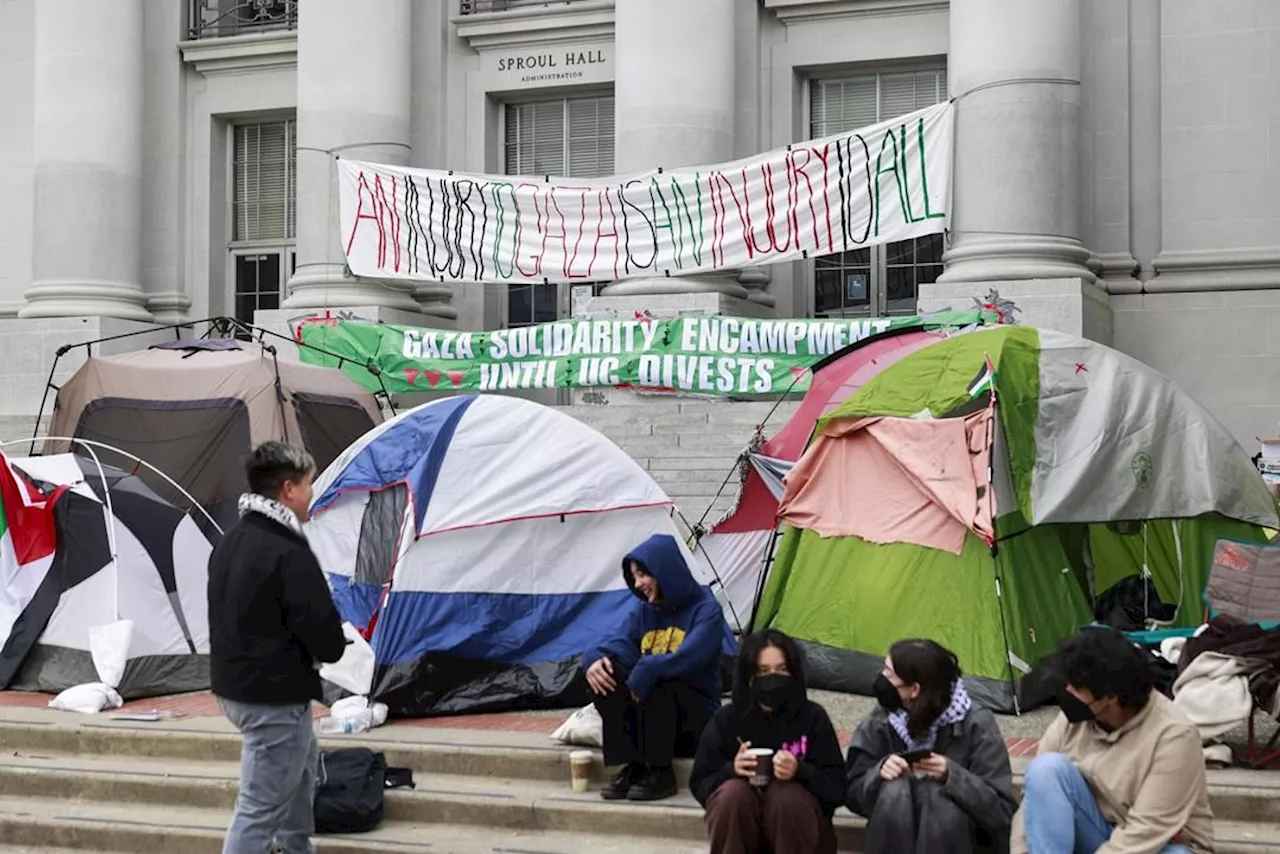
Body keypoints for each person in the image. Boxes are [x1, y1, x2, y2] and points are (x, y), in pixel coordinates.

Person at [208, 442, 347, 854]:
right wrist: (339, 640)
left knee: (301, 769)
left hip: (236, 686)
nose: (312, 493)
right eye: (308, 484)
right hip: (272, 696)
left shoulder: (232, 540)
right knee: (257, 808)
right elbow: (323, 633)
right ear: (288, 489)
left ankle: (296, 847)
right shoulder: (288, 549)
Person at [1012, 629, 1213, 854]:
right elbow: (1034, 800)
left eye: (1077, 689)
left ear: (1111, 698)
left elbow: (1147, 831)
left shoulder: (1174, 736)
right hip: (1097, 833)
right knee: (1045, 769)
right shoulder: (1075, 717)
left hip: (1155, 844)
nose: (1067, 691)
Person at [582, 533, 730, 802]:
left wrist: (648, 668)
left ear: (664, 571)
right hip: (653, 723)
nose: (638, 584)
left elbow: (689, 658)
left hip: (695, 723)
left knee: (660, 675)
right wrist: (592, 659)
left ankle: (661, 773)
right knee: (606, 672)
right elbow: (613, 643)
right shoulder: (643, 612)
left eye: (643, 574)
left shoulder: (706, 610)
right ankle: (635, 765)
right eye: (634, 576)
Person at [846, 639, 1017, 854]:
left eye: (889, 674)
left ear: (914, 690)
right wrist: (878, 773)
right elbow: (851, 791)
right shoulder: (882, 717)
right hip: (896, 827)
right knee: (895, 791)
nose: (882, 679)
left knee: (936, 796)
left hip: (963, 837)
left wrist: (952, 775)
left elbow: (1001, 810)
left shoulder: (975, 722)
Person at [691, 629, 845, 854]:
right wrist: (732, 770)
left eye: (781, 670)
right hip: (742, 828)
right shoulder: (727, 720)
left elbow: (838, 790)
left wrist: (800, 771)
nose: (773, 677)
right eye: (763, 671)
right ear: (749, 675)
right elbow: (700, 784)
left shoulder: (812, 717)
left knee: (785, 796)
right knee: (733, 794)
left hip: (801, 831)